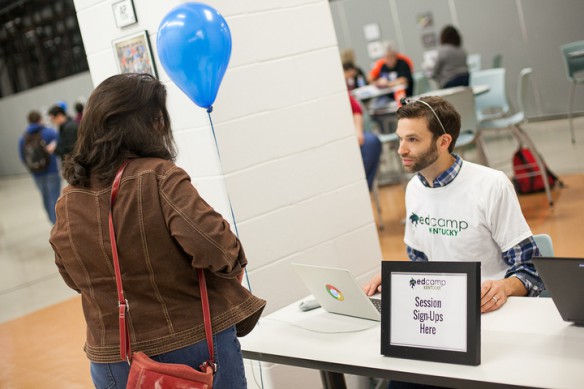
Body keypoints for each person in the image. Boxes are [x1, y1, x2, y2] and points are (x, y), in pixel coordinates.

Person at [49, 73, 266, 389]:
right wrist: (234, 262)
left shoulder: (69, 198)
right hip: (184, 349)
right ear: (149, 123)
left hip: (110, 357)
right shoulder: (160, 177)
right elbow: (213, 245)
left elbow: (70, 275)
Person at [363, 96, 544, 314]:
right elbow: (422, 264)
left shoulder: (492, 185)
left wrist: (504, 287)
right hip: (440, 311)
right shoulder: (413, 189)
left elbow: (532, 269)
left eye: (412, 140)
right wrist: (399, 276)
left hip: (490, 309)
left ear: (443, 142)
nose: (401, 150)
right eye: (400, 139)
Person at [18, 110, 60, 224]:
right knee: (55, 198)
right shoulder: (48, 132)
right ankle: (58, 224)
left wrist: (33, 168)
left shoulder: (23, 138)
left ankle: (53, 222)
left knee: (45, 198)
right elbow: (59, 143)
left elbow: (22, 157)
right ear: (40, 119)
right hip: (51, 171)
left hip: (37, 174)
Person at [349, 93, 382, 190]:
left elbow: (356, 110)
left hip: (354, 132)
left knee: (372, 142)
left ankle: (364, 188)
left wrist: (358, 132)